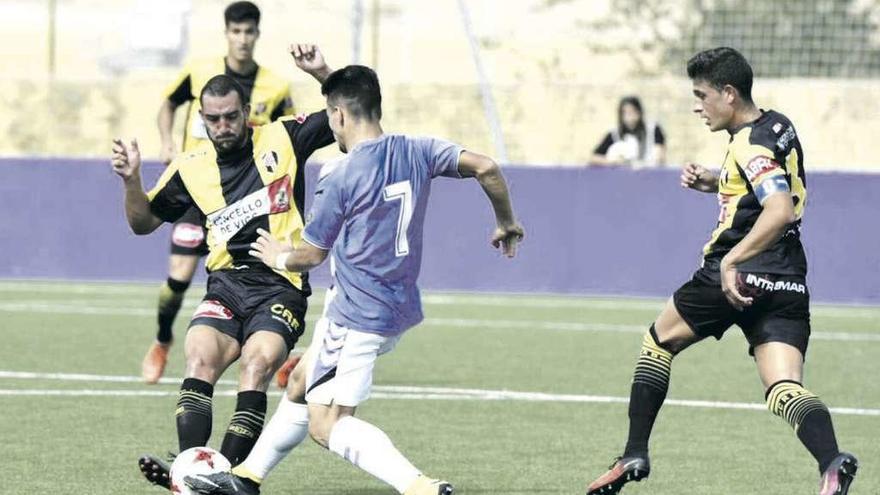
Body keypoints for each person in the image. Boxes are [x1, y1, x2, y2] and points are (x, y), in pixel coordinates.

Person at [182, 65, 524, 495]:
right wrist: (506, 222)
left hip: (357, 314)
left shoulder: (338, 177)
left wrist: (278, 254)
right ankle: (247, 477)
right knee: (302, 382)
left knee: (327, 426)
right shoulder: (418, 149)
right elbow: (487, 168)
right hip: (397, 304)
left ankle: (419, 486)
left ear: (339, 115)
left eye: (331, 114)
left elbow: (311, 255)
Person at [584, 47, 857, 495]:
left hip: (737, 273)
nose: (697, 105)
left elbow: (779, 208)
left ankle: (634, 451)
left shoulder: (747, 144)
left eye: (702, 94)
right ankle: (832, 462)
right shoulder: (778, 125)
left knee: (657, 341)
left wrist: (731, 261)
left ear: (729, 94)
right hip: (788, 280)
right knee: (783, 389)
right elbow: (770, 185)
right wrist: (716, 182)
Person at [111, 44, 335, 490]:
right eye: (213, 119)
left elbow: (348, 109)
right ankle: (194, 474)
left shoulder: (284, 135)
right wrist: (132, 181)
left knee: (258, 363)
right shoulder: (190, 166)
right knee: (199, 357)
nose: (223, 126)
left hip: (281, 285)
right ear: (202, 119)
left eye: (231, 116)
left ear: (246, 111)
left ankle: (218, 477)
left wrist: (323, 72)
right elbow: (142, 224)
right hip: (225, 286)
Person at [143, 1, 298, 385]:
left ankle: (277, 350)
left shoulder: (275, 86)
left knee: (269, 270)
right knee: (179, 276)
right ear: (226, 33)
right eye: (236, 31)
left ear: (258, 35)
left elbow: (288, 137)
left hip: (250, 196)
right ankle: (162, 339)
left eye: (249, 32)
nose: (242, 40)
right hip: (200, 191)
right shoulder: (199, 72)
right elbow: (167, 103)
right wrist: (165, 142)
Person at [590, 96, 666, 168]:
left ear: (639, 112)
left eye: (632, 111)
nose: (629, 115)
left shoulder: (653, 129)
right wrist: (613, 162)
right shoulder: (614, 134)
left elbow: (659, 155)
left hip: (649, 174)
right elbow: (594, 158)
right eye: (625, 112)